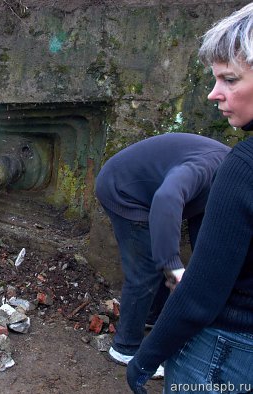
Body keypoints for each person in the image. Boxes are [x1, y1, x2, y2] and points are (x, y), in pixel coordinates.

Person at [126, 4, 253, 393]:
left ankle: (126, 346)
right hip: (124, 192)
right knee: (140, 266)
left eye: (229, 79)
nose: (214, 94)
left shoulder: (239, 167)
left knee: (148, 270)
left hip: (225, 351)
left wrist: (145, 359)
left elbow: (169, 202)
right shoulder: (222, 166)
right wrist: (173, 265)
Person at [95, 131, 231, 378]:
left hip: (144, 191)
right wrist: (173, 266)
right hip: (122, 190)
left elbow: (204, 226)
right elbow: (167, 198)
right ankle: (126, 348)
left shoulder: (225, 180)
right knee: (145, 269)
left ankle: (150, 316)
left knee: (156, 259)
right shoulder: (209, 166)